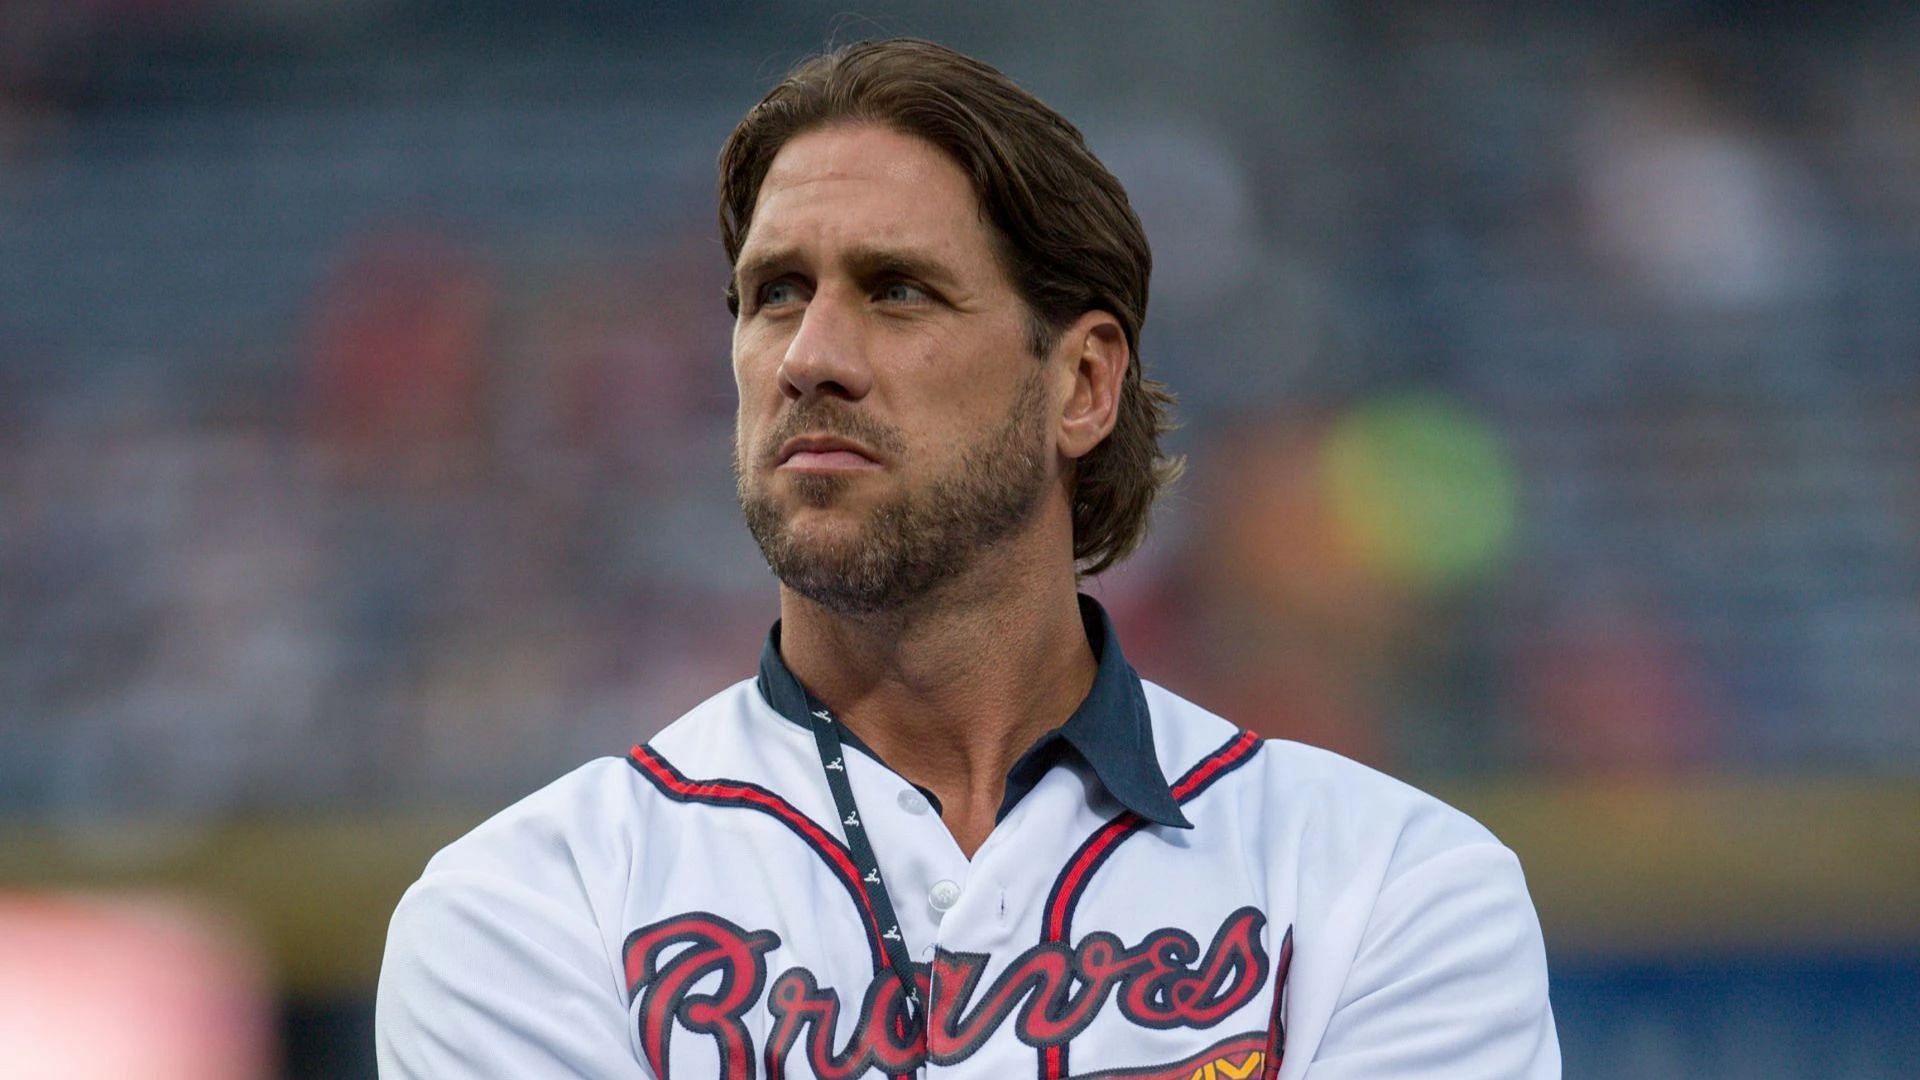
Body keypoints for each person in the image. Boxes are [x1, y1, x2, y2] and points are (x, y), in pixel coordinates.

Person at [376, 38, 1559, 1079]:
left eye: (898, 291)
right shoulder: (529, 910)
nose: (811, 357)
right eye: (774, 295)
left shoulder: (1391, 890)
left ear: (1082, 382)